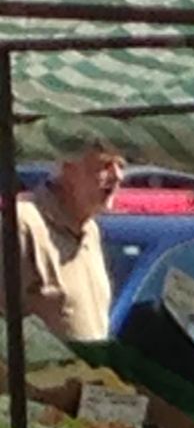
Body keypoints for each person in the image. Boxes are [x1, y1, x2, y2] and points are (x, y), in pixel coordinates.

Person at [5, 129, 122, 341]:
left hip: (93, 373)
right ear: (68, 167)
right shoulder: (22, 223)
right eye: (105, 165)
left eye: (121, 166)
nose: (118, 176)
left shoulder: (91, 230)